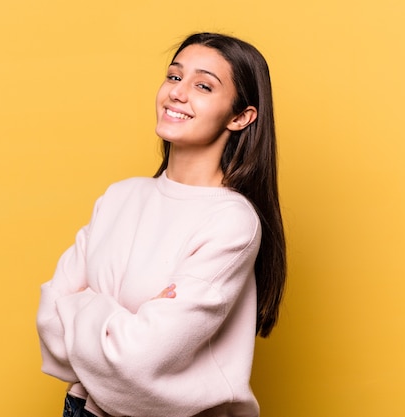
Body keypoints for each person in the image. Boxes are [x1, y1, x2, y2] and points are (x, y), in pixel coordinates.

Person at [36, 32, 286, 417]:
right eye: (173, 77)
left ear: (240, 117)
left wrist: (83, 305)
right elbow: (49, 327)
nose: (177, 93)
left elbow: (136, 363)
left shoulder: (232, 222)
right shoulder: (120, 197)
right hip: (81, 409)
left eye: (203, 85)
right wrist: (122, 325)